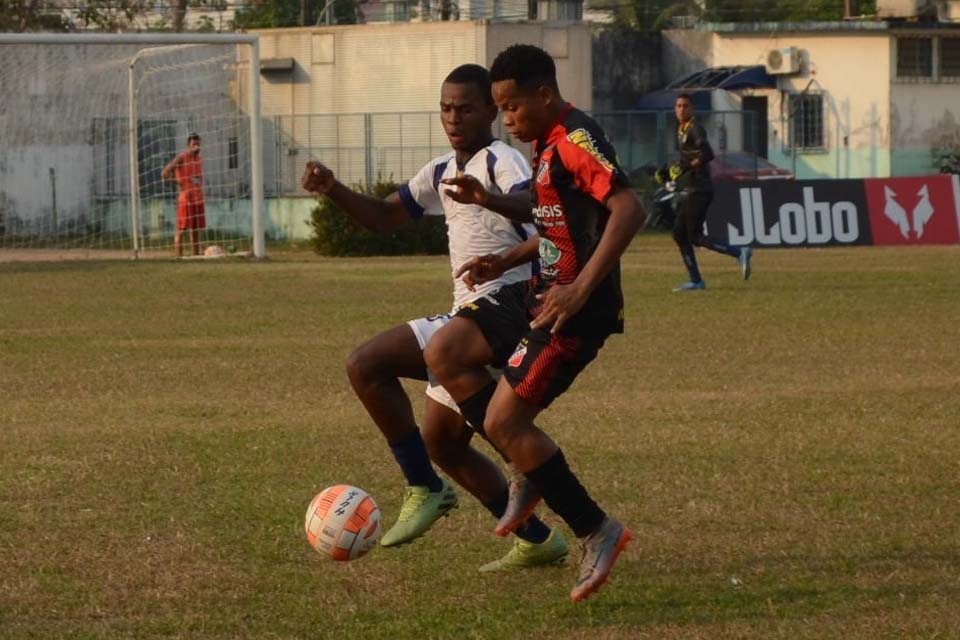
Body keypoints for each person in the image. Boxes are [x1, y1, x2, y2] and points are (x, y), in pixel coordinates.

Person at [300, 63, 568, 572]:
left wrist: (488, 197)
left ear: (491, 110)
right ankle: (537, 538)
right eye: (446, 108)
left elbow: (537, 201)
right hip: (468, 314)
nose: (453, 117)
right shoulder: (442, 170)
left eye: (466, 108)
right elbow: (383, 218)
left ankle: (426, 486)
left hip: (505, 311)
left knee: (366, 364)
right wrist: (333, 187)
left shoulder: (499, 160)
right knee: (444, 444)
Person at [431, 44, 644, 602]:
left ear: (545, 96)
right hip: (539, 292)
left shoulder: (575, 140)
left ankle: (595, 529)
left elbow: (627, 209)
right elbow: (553, 216)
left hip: (575, 308)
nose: (507, 120)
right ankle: (526, 466)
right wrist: (502, 247)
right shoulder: (550, 144)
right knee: (447, 351)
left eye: (513, 108)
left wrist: (578, 290)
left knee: (505, 422)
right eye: (500, 109)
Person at [661, 94, 752, 291]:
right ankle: (695, 280)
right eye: (678, 106)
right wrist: (670, 173)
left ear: (692, 109)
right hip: (693, 188)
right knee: (679, 233)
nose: (681, 109)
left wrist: (686, 167)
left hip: (700, 189)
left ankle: (738, 252)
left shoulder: (695, 128)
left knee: (693, 236)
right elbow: (687, 160)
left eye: (685, 106)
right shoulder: (681, 129)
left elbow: (707, 154)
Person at [161, 133, 206, 257]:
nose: (196, 147)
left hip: (198, 199)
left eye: (198, 144)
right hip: (186, 199)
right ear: (188, 145)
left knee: (196, 231)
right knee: (181, 230)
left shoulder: (199, 160)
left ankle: (195, 257)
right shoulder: (182, 157)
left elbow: (197, 180)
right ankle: (179, 257)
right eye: (194, 144)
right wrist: (176, 181)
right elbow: (165, 172)